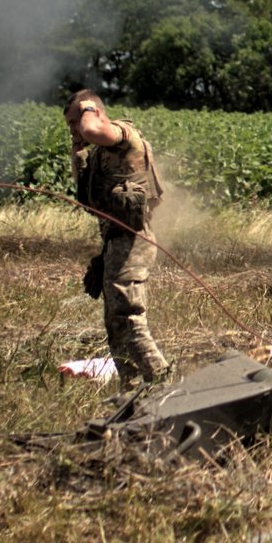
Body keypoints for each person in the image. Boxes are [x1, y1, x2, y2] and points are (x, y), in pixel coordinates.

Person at [65, 90, 169, 387]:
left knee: (128, 317)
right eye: (70, 124)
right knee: (115, 326)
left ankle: (162, 383)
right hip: (114, 243)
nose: (75, 128)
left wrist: (86, 110)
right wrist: (77, 147)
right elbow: (85, 191)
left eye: (76, 120)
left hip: (133, 240)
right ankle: (134, 391)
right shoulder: (101, 154)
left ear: (95, 111)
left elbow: (92, 129)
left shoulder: (122, 135)